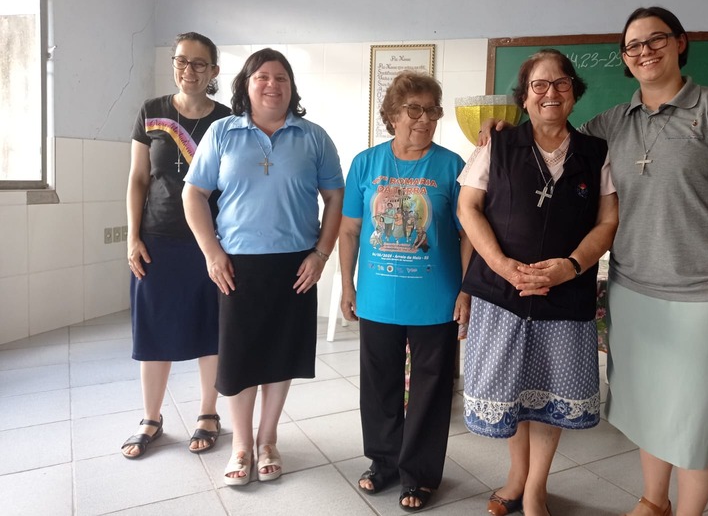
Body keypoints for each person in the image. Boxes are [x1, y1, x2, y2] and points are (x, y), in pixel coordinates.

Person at [482, 7, 708, 516]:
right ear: (624, 57)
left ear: (680, 42)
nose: (645, 51)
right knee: (648, 407)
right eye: (633, 45)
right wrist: (505, 127)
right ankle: (653, 500)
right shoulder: (611, 124)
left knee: (698, 415)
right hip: (634, 288)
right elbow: (552, 134)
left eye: (656, 39)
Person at [459, 49, 618, 516]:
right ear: (525, 98)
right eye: (539, 85)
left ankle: (535, 490)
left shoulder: (596, 152)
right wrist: (502, 265)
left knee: (550, 395)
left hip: (565, 294)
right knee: (514, 393)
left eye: (561, 83)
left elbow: (607, 221)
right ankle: (515, 478)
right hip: (502, 294)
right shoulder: (497, 145)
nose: (551, 93)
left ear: (574, 93)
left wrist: (571, 265)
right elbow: (468, 207)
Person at [182, 48, 344, 486]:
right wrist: (211, 252)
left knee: (280, 355)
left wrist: (321, 254)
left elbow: (335, 198)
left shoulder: (313, 137)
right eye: (263, 77)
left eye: (282, 78)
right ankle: (241, 444)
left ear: (292, 88)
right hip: (237, 265)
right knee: (239, 359)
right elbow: (193, 194)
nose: (273, 85)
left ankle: (268, 439)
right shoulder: (222, 133)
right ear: (246, 85)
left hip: (297, 266)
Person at [339, 70, 471, 512]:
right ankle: (384, 462)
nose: (425, 119)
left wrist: (466, 289)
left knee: (431, 390)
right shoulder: (366, 163)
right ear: (392, 115)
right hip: (377, 299)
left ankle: (420, 473)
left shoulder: (452, 166)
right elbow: (350, 230)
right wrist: (347, 284)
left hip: (435, 299)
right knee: (379, 385)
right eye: (414, 110)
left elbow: (468, 235)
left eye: (432, 111)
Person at [122, 32, 229, 459]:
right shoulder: (152, 112)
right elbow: (138, 179)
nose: (189, 70)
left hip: (210, 243)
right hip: (157, 240)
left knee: (210, 328)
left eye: (199, 63)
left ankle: (208, 414)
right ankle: (151, 418)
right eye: (182, 61)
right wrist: (132, 236)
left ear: (214, 71)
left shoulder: (226, 120)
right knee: (153, 329)